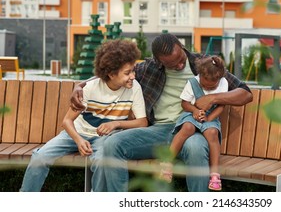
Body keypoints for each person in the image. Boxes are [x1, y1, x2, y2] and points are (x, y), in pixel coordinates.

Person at [70, 33, 253, 192]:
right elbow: (114, 72)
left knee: (196, 148)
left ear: (181, 47)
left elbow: (245, 93)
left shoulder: (204, 64)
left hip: (192, 129)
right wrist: (81, 85)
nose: (180, 65)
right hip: (159, 131)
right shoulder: (149, 68)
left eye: (180, 59)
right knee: (112, 144)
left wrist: (214, 98)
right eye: (173, 64)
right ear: (159, 61)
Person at [20, 39, 148, 192]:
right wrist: (79, 140)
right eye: (127, 73)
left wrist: (115, 124)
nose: (133, 76)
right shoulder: (89, 88)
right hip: (76, 133)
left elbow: (142, 122)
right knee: (40, 157)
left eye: (133, 70)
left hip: (104, 139)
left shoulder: (134, 88)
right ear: (111, 74)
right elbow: (67, 121)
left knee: (103, 163)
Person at [160, 55, 227, 191]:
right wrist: (195, 110)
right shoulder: (192, 83)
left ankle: (214, 175)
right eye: (204, 85)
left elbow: (221, 106)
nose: (207, 88)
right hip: (192, 114)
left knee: (212, 133)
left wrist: (210, 118)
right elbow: (184, 103)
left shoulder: (223, 83)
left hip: (210, 117)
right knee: (187, 127)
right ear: (200, 75)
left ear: (219, 79)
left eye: (211, 87)